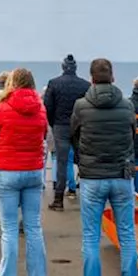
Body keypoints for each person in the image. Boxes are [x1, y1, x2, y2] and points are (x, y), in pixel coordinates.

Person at [71, 58, 137, 276]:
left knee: (90, 237)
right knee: (127, 235)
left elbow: (74, 137)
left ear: (91, 79)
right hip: (121, 175)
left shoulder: (81, 106)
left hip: (92, 176)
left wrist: (84, 160)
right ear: (113, 76)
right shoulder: (127, 105)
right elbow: (132, 134)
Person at [0, 68, 49, 276]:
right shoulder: (40, 108)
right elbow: (43, 133)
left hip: (8, 171)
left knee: (9, 230)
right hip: (33, 170)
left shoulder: (2, 107)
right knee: (33, 227)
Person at [44, 54, 90, 210]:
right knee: (84, 161)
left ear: (63, 67)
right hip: (79, 126)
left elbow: (48, 107)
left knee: (62, 163)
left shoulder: (54, 83)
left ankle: (58, 199)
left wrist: (53, 123)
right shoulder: (85, 85)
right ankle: (87, 196)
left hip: (60, 125)